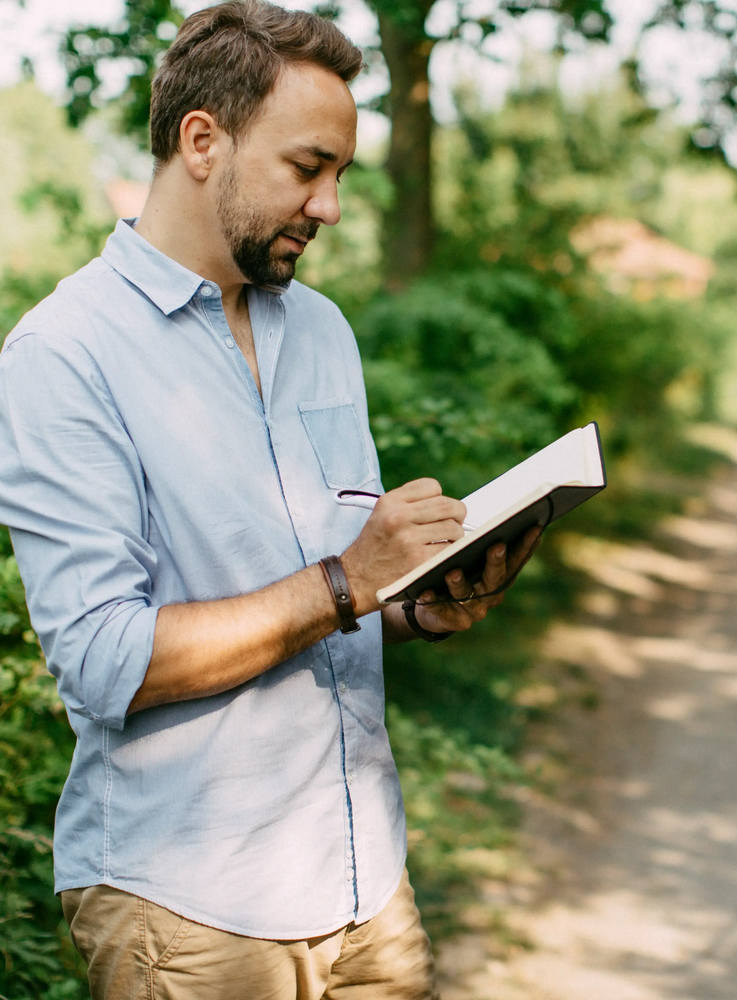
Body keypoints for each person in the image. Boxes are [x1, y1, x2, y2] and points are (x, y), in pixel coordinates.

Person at [0, 3, 539, 997]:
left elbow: (335, 589)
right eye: (307, 168)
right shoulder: (62, 354)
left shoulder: (323, 328)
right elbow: (103, 659)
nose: (329, 205)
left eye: (341, 175)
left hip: (366, 880)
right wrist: (349, 580)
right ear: (201, 141)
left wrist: (413, 602)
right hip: (190, 909)